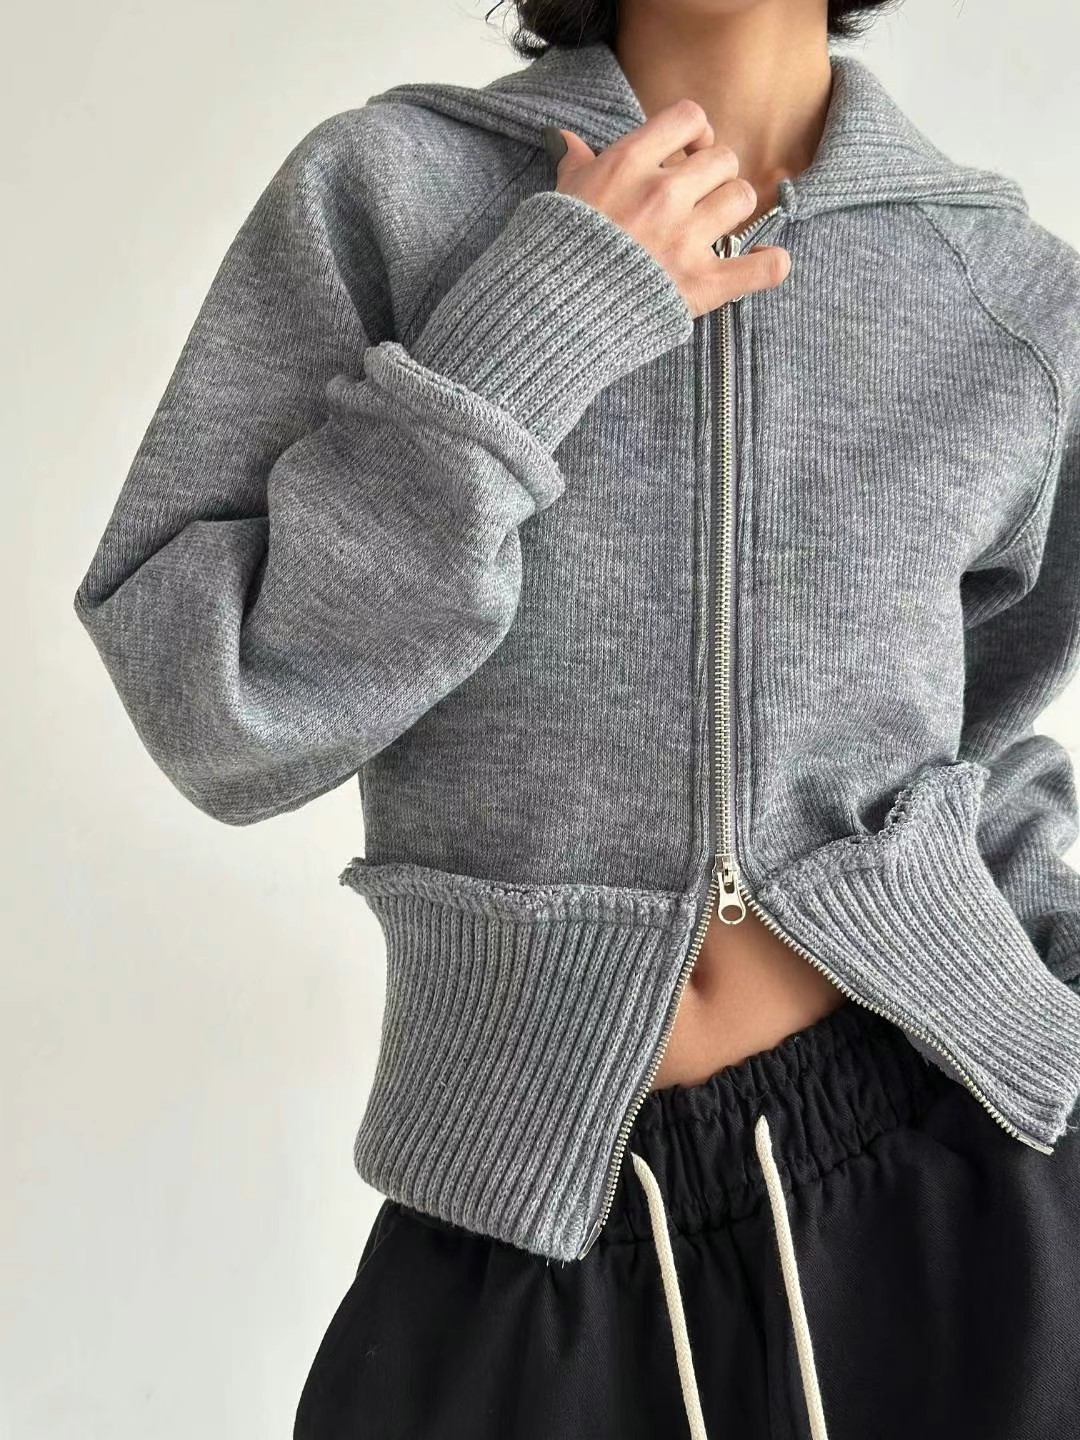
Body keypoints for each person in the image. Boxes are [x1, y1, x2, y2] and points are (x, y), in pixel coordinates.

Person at [72, 0, 1080, 1434]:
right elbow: (215, 708)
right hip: (521, 1221)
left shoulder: (1007, 291)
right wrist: (537, 326)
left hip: (969, 1184)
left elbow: (981, 741)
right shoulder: (388, 201)